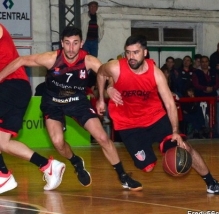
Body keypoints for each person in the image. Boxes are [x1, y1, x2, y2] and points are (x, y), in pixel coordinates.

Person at [0, 26, 142, 191]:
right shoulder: (51, 58)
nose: (71, 48)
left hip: (77, 101)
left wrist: (108, 89)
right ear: (62, 43)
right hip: (52, 102)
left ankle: (123, 176)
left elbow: (107, 73)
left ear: (81, 43)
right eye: (67, 43)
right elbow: (20, 60)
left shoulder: (89, 60)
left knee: (102, 137)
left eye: (75, 43)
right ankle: (75, 161)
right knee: (58, 142)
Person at [97, 35, 219, 195]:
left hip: (154, 117)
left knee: (184, 147)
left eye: (136, 52)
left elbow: (170, 104)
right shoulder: (115, 67)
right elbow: (100, 73)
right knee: (147, 166)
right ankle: (128, 173)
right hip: (128, 123)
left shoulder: (156, 74)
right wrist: (106, 92)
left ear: (145, 52)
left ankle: (211, 182)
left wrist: (175, 131)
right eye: (128, 53)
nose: (131, 57)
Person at [0, 24, 65, 194]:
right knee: (3, 142)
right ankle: (48, 166)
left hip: (11, 86)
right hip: (17, 89)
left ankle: (2, 174)